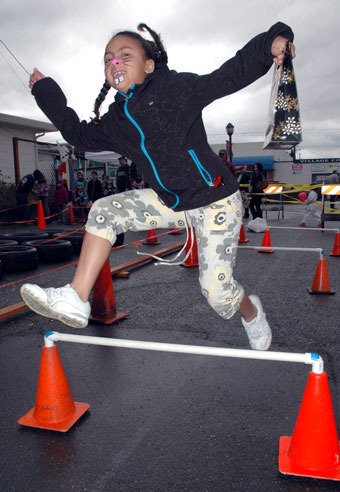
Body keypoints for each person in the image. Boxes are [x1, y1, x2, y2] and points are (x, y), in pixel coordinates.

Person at [21, 22, 295, 352]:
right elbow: (77, 135)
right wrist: (45, 91)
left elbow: (229, 75)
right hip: (171, 202)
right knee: (105, 211)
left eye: (125, 55)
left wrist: (272, 42)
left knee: (219, 297)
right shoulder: (116, 121)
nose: (114, 64)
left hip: (216, 200)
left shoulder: (176, 89)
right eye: (108, 60)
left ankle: (251, 313)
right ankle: (76, 296)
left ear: (149, 64)